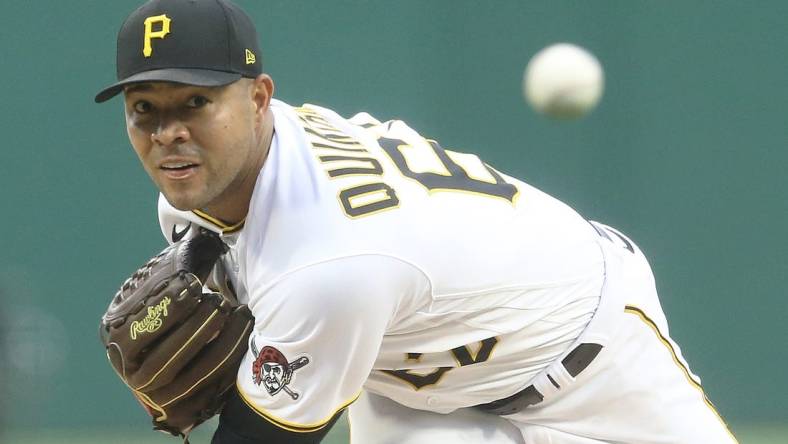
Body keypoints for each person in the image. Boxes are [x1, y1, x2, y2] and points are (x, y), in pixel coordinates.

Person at [95, 1, 738, 443]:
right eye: (143, 108)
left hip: (589, 355)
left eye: (196, 103)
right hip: (413, 392)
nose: (168, 133)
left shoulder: (327, 262)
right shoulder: (202, 189)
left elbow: (262, 435)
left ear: (260, 98)